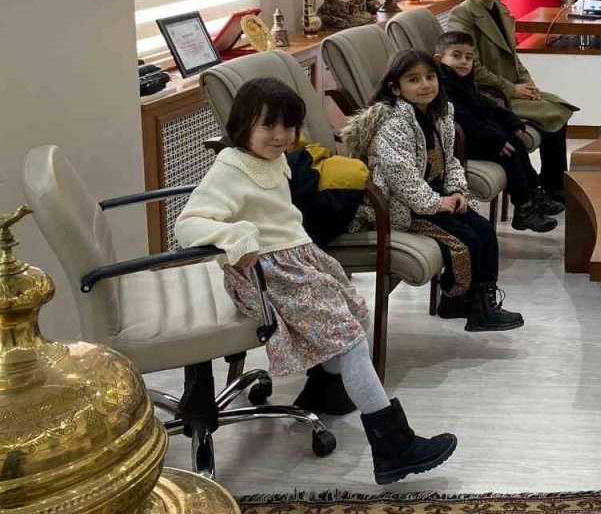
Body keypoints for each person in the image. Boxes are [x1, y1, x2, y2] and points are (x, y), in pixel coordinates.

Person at [174, 77, 457, 486]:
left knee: (354, 319)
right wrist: (235, 237)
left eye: (288, 126)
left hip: (297, 260)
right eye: (268, 125)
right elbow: (188, 224)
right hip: (269, 273)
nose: (280, 136)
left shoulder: (276, 158)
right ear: (243, 124)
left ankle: (326, 389)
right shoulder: (229, 169)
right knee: (350, 341)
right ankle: (392, 446)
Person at [341, 49, 524, 332]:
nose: (425, 84)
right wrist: (436, 203)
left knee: (484, 232)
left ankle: (479, 303)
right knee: (463, 241)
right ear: (396, 88)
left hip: (437, 195)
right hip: (402, 206)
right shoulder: (392, 123)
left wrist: (458, 190)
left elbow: (451, 160)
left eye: (430, 77)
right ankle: (459, 298)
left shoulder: (440, 113)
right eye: (413, 80)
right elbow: (401, 178)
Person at [448, 0, 576, 199]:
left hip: (510, 87)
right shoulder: (462, 15)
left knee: (561, 106)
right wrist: (511, 89)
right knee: (555, 113)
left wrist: (528, 84)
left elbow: (513, 57)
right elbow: (471, 67)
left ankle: (553, 182)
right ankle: (554, 186)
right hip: (489, 94)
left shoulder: (501, 9)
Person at [434, 30, 561, 233]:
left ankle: (535, 194)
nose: (463, 62)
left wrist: (511, 121)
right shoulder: (442, 86)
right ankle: (523, 209)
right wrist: (496, 139)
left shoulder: (463, 79)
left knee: (516, 143)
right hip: (462, 141)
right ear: (439, 59)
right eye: (456, 56)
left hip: (478, 133)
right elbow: (464, 120)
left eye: (468, 57)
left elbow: (484, 103)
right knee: (509, 153)